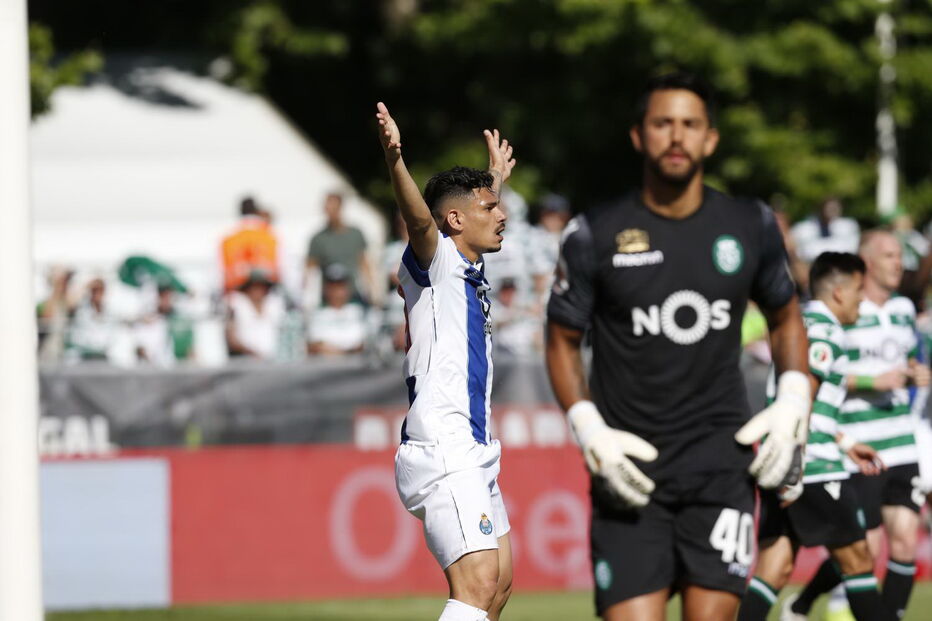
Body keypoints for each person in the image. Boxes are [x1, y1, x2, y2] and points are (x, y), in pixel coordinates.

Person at [544, 72, 811, 621]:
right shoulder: (594, 232)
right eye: (662, 123)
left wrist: (791, 403)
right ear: (638, 136)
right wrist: (589, 431)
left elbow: (786, 319)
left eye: (690, 125)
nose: (676, 136)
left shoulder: (750, 224)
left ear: (710, 139)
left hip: (722, 467)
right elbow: (562, 340)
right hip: (630, 474)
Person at [376, 101, 515, 621]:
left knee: (497, 587)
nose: (501, 214)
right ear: (455, 219)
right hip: (444, 445)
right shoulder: (435, 262)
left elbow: (461, 212)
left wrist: (493, 180)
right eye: (489, 208)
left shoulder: (465, 265)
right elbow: (421, 219)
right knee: (477, 584)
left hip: (473, 447)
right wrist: (395, 161)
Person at [739, 252, 889, 621]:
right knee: (858, 560)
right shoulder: (825, 329)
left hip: (793, 456)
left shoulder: (799, 323)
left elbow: (803, 399)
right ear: (838, 292)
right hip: (812, 465)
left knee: (774, 569)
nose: (861, 299)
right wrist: (795, 461)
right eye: (858, 290)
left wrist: (844, 442)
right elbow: (801, 395)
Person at [789, 230, 930, 621]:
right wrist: (873, 381)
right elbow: (820, 369)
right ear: (866, 264)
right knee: (859, 546)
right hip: (857, 441)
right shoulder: (844, 310)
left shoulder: (903, 309)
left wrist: (914, 372)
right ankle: (801, 605)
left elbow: (901, 360)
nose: (898, 262)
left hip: (901, 439)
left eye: (899, 255)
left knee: (903, 539)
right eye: (888, 255)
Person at [305, 192, 376, 305]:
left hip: (352, 293)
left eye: (333, 207)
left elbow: (364, 263)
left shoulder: (355, 234)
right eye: (327, 208)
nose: (329, 212)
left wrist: (372, 290)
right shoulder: (318, 238)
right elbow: (309, 269)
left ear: (340, 208)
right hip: (329, 297)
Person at [220, 196, 281, 292]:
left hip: (236, 290)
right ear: (256, 211)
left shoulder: (228, 238)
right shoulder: (271, 236)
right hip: (268, 291)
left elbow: (219, 272)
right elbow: (283, 268)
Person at [224, 268, 286, 360]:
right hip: (245, 360)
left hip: (274, 359)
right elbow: (232, 338)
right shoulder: (237, 304)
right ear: (248, 288)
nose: (258, 290)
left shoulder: (274, 304)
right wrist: (252, 353)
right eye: (255, 287)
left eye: (262, 286)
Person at [307, 263, 367, 355]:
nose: (337, 292)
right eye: (333, 286)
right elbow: (315, 345)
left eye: (340, 286)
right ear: (326, 289)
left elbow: (365, 343)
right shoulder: (318, 314)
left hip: (357, 364)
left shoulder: (358, 311)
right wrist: (343, 352)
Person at [790, 197, 861, 265]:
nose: (831, 210)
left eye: (835, 208)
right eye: (829, 208)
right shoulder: (802, 228)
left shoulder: (849, 226)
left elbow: (853, 248)